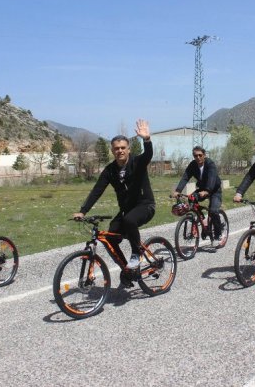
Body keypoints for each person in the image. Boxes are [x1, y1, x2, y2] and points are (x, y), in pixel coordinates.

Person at [73, 119, 155, 288]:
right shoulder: (110, 170)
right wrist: (83, 211)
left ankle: (136, 253)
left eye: (123, 148)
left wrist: (147, 140)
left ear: (128, 149)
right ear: (112, 151)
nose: (120, 151)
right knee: (110, 237)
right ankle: (128, 270)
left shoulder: (137, 162)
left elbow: (148, 155)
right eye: (116, 148)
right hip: (126, 210)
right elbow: (97, 190)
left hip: (145, 205)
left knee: (130, 221)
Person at [172, 146, 223, 244]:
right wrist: (178, 190)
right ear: (194, 156)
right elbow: (185, 177)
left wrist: (207, 191)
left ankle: (218, 234)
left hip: (214, 190)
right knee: (191, 199)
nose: (198, 157)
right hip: (202, 189)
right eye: (196, 156)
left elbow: (212, 177)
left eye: (200, 155)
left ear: (204, 155)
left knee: (213, 211)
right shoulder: (193, 165)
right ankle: (203, 221)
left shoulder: (210, 164)